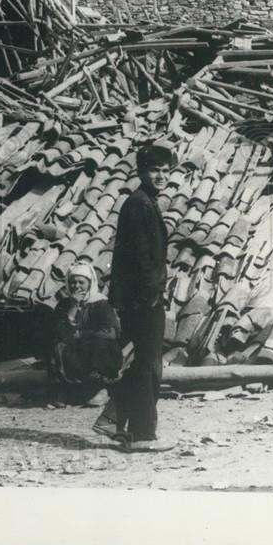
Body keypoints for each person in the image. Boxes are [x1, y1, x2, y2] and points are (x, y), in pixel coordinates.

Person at [94, 141, 175, 452]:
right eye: (154, 170)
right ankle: (142, 435)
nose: (161, 176)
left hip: (140, 298)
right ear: (142, 172)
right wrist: (152, 294)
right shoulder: (139, 204)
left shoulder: (143, 202)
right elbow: (140, 257)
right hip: (143, 300)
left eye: (166, 171)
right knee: (147, 366)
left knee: (144, 364)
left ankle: (112, 420)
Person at [42, 262, 123, 405]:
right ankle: (65, 390)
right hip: (73, 350)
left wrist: (82, 336)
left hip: (97, 349)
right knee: (57, 345)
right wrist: (73, 307)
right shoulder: (64, 304)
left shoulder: (102, 303)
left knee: (100, 346)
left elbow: (110, 332)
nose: (77, 286)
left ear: (90, 283)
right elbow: (58, 331)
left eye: (81, 282)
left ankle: (100, 390)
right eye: (73, 282)